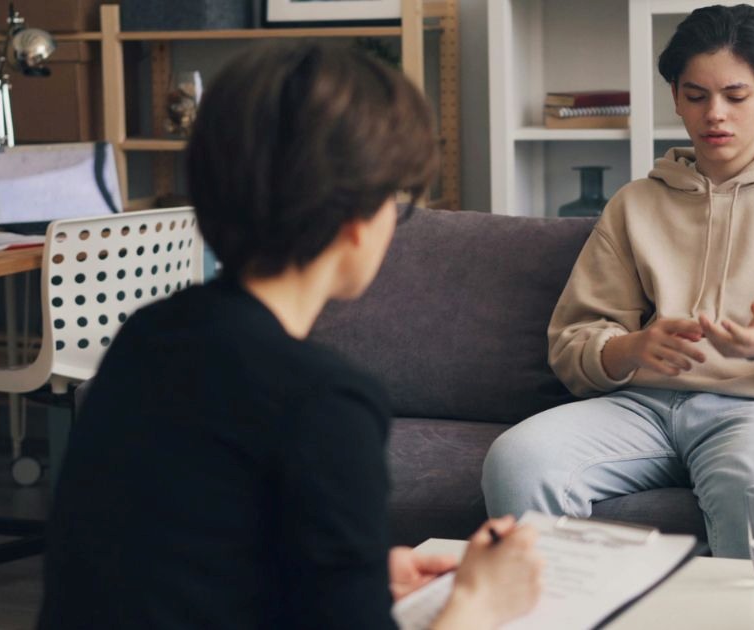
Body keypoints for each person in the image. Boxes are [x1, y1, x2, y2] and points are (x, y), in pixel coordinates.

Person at [39, 42, 542, 629]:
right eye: (395, 203)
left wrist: (359, 575)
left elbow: (169, 563)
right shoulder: (324, 402)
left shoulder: (150, 335)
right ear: (355, 225)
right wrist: (481, 604)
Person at [482, 3, 754, 561]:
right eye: (696, 96)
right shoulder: (635, 204)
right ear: (675, 98)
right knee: (517, 459)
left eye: (736, 96)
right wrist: (631, 348)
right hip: (641, 408)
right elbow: (573, 340)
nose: (714, 114)